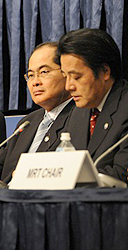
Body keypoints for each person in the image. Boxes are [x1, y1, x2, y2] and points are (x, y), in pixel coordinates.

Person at [0, 42, 73, 182]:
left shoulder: (80, 118)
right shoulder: (28, 123)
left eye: (44, 72)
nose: (35, 82)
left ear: (67, 73)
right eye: (30, 75)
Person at [58, 28, 128, 182]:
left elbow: (120, 174)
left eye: (76, 77)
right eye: (65, 77)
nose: (68, 86)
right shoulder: (78, 112)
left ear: (105, 71)